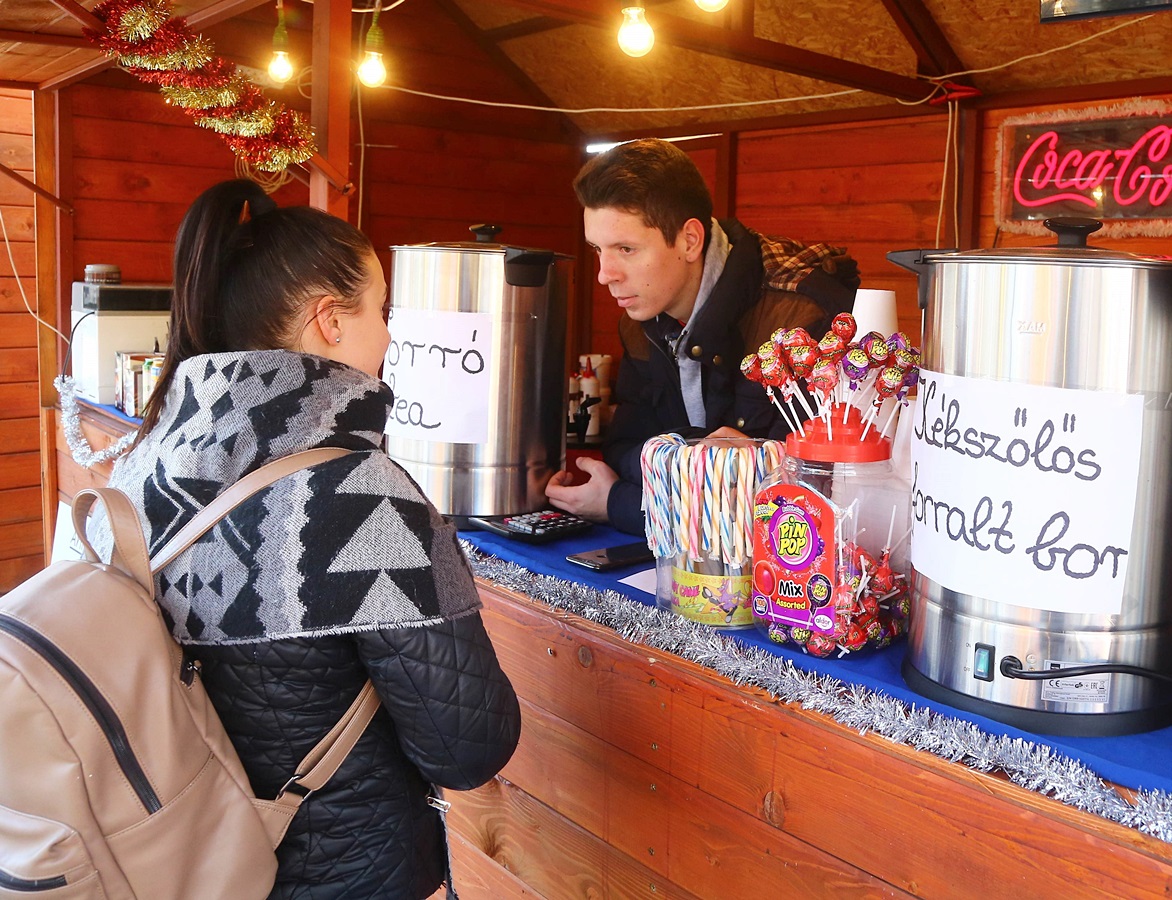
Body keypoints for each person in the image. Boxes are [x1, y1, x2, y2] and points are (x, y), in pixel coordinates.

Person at [97, 180, 521, 900]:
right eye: (381, 310)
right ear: (329, 320)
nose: (390, 335)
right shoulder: (363, 495)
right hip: (345, 874)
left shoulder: (141, 462)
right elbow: (465, 744)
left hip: (173, 861)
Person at [547, 138, 860, 535]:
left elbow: (803, 499)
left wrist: (621, 503)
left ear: (690, 240)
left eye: (626, 248)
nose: (605, 274)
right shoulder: (640, 317)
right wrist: (703, 462)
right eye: (598, 250)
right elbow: (625, 448)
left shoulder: (802, 316)